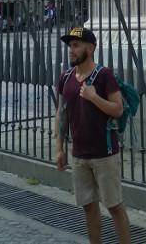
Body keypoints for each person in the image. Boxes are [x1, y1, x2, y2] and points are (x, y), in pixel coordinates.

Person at [55, 27, 131, 244]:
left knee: (114, 206)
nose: (71, 50)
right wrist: (59, 148)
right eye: (70, 46)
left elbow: (117, 109)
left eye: (76, 45)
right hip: (79, 154)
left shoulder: (104, 75)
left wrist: (93, 97)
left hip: (104, 154)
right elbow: (61, 113)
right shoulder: (66, 77)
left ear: (90, 49)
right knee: (88, 207)